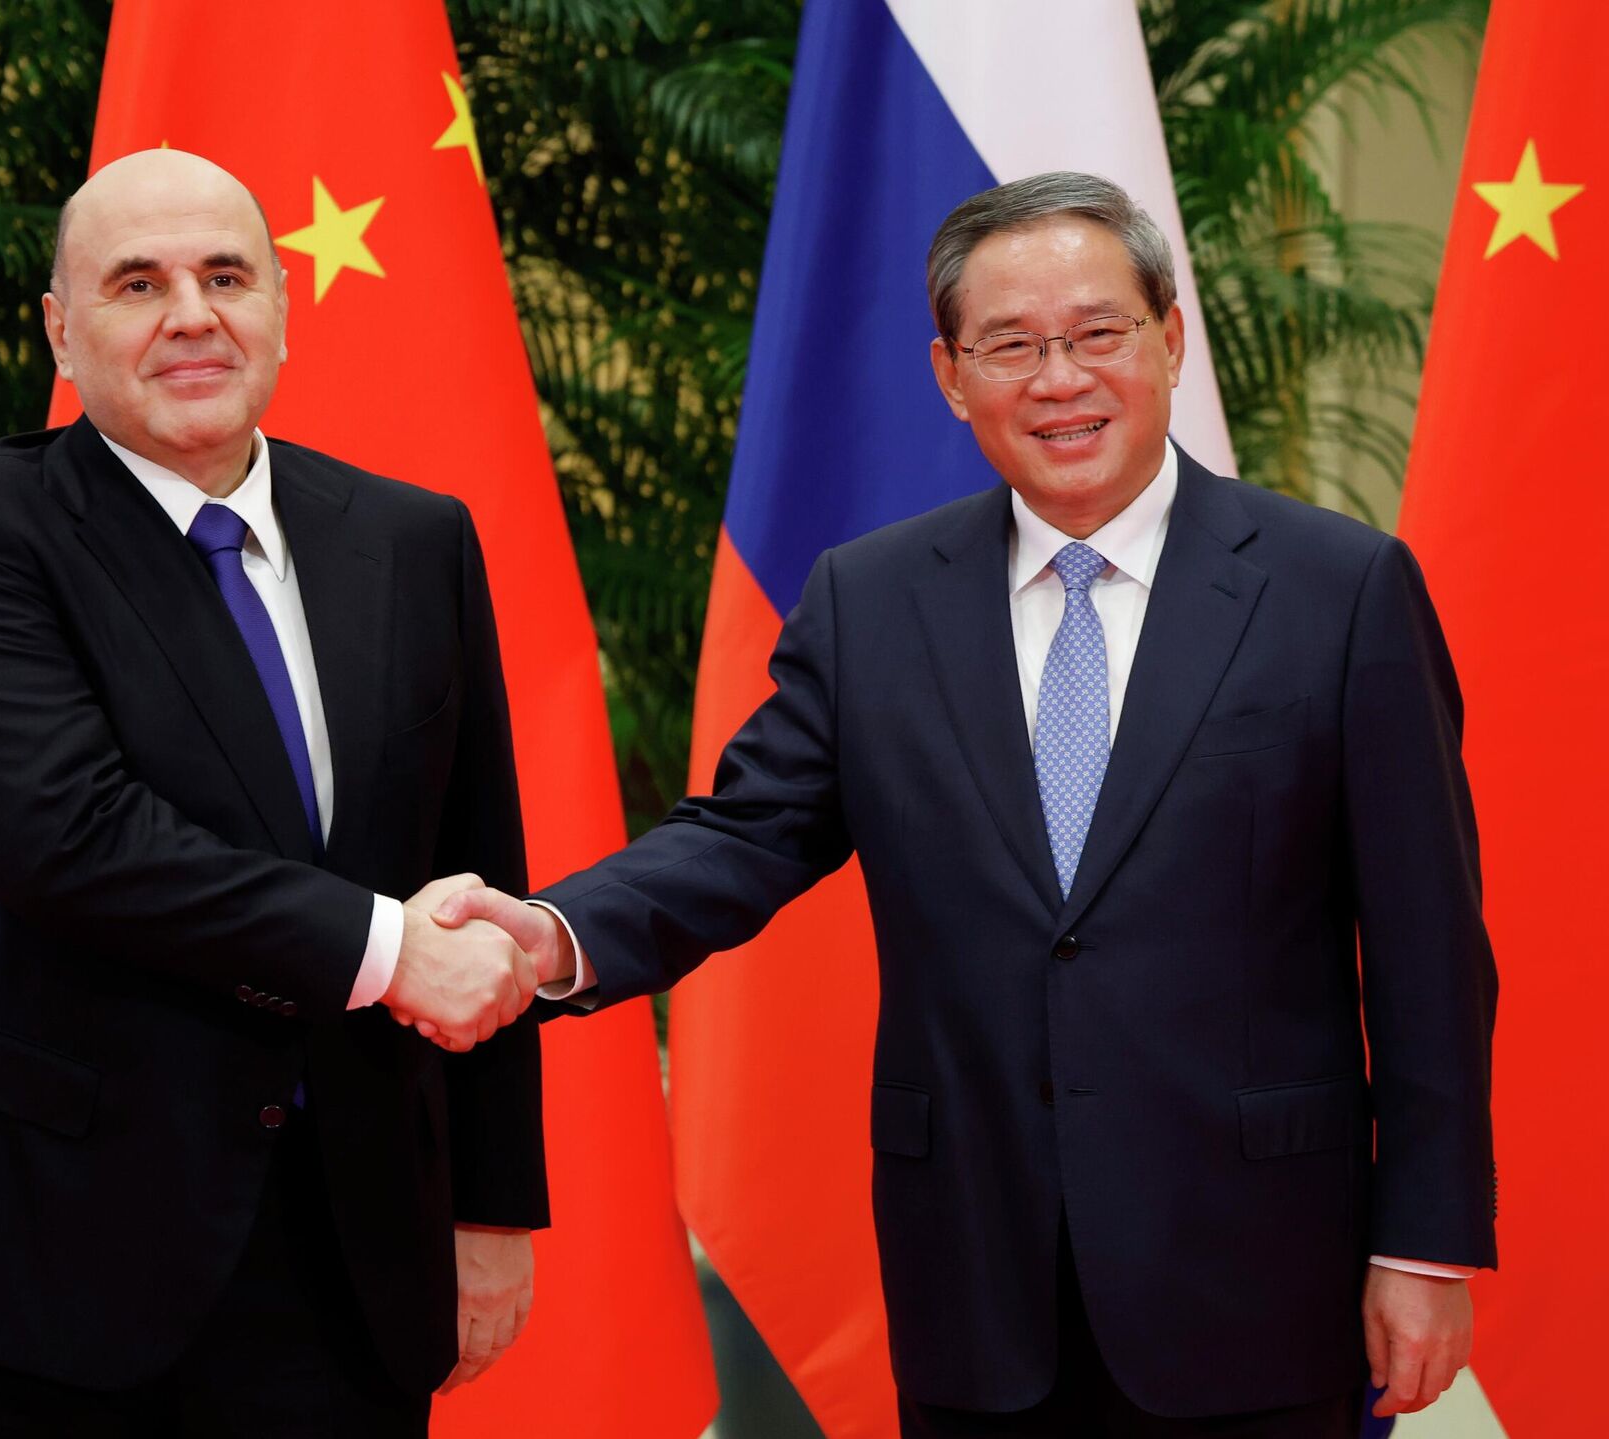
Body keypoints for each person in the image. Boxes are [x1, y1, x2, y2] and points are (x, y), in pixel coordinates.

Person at [435, 172, 1497, 1437]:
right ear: (951, 375)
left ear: (1170, 338)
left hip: (1257, 1271)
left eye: (1098, 332)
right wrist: (551, 932)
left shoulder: (1339, 589)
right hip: (980, 1283)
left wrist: (1426, 1243)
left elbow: (1430, 948)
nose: (1060, 378)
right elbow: (742, 832)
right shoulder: (873, 601)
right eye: (1011, 345)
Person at [0, 148, 548, 1438]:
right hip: (36, 1244)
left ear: (281, 307)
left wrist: (490, 1204)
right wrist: (386, 949)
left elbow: (475, 868)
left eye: (226, 276)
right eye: (138, 283)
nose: (192, 315)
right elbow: (69, 836)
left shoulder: (411, 535)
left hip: (350, 1249)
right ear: (61, 329)